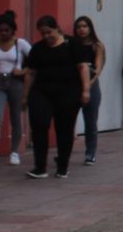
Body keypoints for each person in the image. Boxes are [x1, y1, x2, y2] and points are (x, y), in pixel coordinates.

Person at [21, 15, 91, 179]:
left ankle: (62, 166)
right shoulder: (38, 49)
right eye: (42, 33)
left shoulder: (72, 44)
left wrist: (85, 90)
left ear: (57, 29)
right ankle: (40, 166)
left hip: (68, 92)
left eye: (49, 32)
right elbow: (30, 73)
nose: (46, 37)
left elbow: (82, 67)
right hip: (42, 91)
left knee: (64, 128)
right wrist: (25, 96)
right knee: (39, 124)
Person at [0, 10, 30, 167]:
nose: (3, 33)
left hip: (15, 82)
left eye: (6, 30)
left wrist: (23, 71)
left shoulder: (20, 44)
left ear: (13, 30)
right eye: (0, 30)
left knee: (16, 117)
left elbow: (36, 59)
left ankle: (14, 152)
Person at [73, 16, 107, 165]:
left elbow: (98, 68)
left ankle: (90, 153)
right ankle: (65, 151)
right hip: (73, 85)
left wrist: (89, 83)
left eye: (85, 26)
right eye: (79, 27)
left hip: (92, 86)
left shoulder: (97, 46)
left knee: (90, 122)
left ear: (90, 28)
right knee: (67, 121)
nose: (82, 29)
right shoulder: (72, 44)